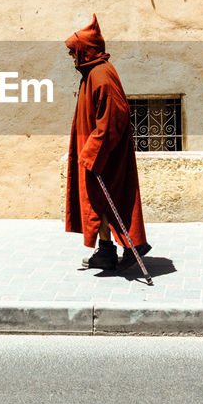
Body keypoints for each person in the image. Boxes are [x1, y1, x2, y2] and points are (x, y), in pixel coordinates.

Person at [64, 15, 150, 271]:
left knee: (106, 199)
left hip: (105, 154)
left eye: (74, 51)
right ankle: (105, 251)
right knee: (96, 200)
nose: (71, 56)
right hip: (95, 152)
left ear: (85, 50)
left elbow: (114, 116)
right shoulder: (92, 73)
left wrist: (93, 151)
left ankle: (132, 245)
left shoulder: (101, 75)